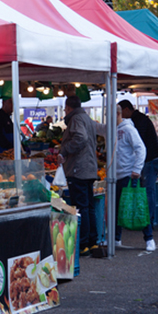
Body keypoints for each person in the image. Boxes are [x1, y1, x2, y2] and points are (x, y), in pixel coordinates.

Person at [58, 96, 98, 257]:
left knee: (81, 207)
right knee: (89, 206)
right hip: (89, 168)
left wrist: (65, 150)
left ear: (68, 108)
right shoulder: (87, 118)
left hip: (78, 169)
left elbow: (81, 137)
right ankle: (92, 242)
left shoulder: (75, 119)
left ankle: (83, 244)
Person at [119, 100, 158, 239]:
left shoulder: (138, 121)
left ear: (126, 109)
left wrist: (136, 166)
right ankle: (146, 220)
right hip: (152, 157)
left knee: (147, 190)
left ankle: (147, 221)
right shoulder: (138, 119)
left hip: (151, 158)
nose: (120, 116)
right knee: (147, 190)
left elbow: (139, 145)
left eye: (121, 112)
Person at [109, 104, 150, 251]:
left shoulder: (128, 129)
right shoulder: (111, 130)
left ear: (118, 114)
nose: (108, 118)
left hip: (128, 175)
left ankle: (149, 238)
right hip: (115, 176)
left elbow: (141, 148)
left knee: (137, 207)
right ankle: (116, 238)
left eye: (109, 115)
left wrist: (136, 169)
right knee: (116, 209)